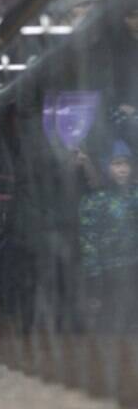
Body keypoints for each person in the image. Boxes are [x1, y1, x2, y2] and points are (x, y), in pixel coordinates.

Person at [78, 141, 138, 330]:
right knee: (110, 326)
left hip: (134, 268)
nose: (123, 170)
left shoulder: (135, 195)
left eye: (126, 164)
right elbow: (88, 241)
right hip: (107, 273)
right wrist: (94, 277)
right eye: (116, 164)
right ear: (105, 166)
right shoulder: (94, 200)